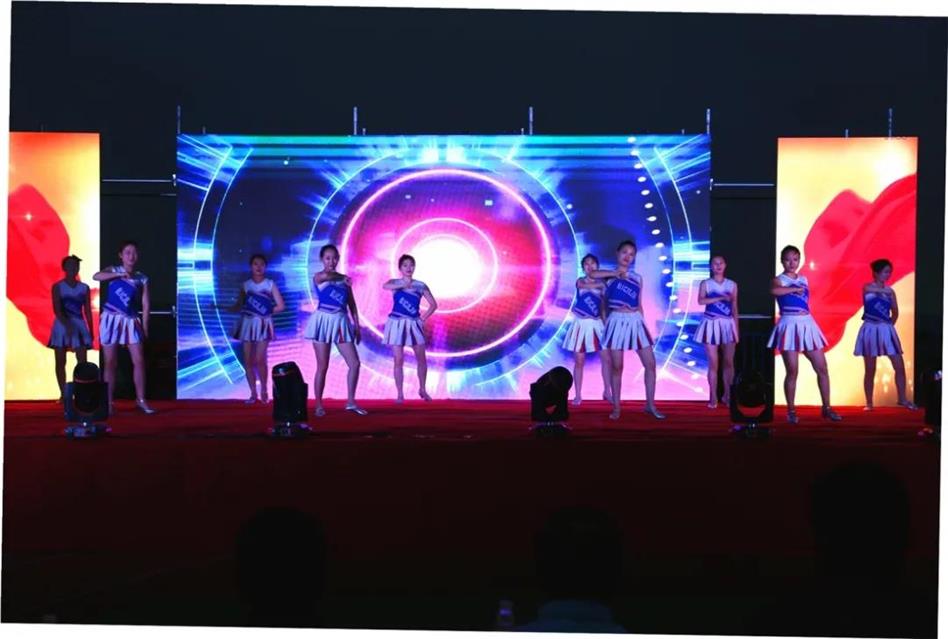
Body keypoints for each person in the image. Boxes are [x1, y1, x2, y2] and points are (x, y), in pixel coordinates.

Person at [592, 240, 664, 421]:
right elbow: (592, 274)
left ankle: (650, 405)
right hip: (616, 320)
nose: (627, 256)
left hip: (635, 320)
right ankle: (616, 407)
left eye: (631, 254)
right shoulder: (608, 277)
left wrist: (643, 323)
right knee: (617, 367)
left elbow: (639, 304)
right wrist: (615, 273)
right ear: (617, 253)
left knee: (650, 364)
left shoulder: (637, 278)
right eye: (624, 252)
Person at [768, 245, 841, 423]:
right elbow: (774, 291)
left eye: (795, 259)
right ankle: (791, 411)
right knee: (792, 371)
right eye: (788, 259)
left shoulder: (804, 279)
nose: (792, 263)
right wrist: (793, 289)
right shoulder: (779, 280)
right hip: (788, 324)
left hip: (807, 323)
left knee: (822, 368)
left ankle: (827, 408)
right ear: (782, 261)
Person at [303, 244, 367, 417]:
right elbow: (326, 276)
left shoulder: (344, 280)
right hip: (322, 321)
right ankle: (318, 405)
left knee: (354, 363)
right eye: (327, 258)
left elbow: (351, 304)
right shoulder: (319, 277)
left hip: (341, 322)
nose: (331, 261)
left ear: (338, 259)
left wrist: (357, 326)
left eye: (334, 258)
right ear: (322, 259)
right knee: (322, 366)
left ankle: (351, 402)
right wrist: (343, 278)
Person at [93, 240, 155, 414]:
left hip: (130, 320)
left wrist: (145, 328)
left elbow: (146, 305)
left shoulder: (141, 278)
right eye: (127, 252)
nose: (131, 256)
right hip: (111, 319)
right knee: (110, 362)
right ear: (121, 255)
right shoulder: (113, 270)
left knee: (139, 361)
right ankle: (108, 403)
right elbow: (96, 276)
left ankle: (141, 400)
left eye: (134, 253)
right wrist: (118, 275)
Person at [854, 259, 916, 410]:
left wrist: (888, 327)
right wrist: (887, 292)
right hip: (870, 328)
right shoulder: (868, 287)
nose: (888, 275)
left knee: (899, 366)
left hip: (885, 328)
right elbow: (870, 291)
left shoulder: (890, 292)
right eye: (885, 272)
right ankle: (869, 403)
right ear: (876, 273)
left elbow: (895, 312)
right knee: (870, 369)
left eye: (889, 272)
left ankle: (902, 399)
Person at [227, 254, 286, 404]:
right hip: (247, 324)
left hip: (263, 324)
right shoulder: (246, 285)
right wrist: (224, 307)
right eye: (255, 264)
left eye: (261, 264)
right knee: (247, 360)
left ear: (265, 267)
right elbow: (239, 305)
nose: (258, 267)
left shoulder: (270, 284)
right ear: (251, 266)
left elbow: (281, 306)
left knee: (260, 359)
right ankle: (253, 393)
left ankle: (264, 390)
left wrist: (266, 311)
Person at [381, 254, 438, 402]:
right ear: (400, 268)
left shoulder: (420, 285)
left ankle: (422, 389)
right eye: (405, 265)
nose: (409, 268)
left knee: (421, 358)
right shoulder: (394, 282)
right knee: (398, 359)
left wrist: (423, 318)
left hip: (414, 323)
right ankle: (400, 394)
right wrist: (402, 285)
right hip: (396, 322)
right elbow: (385, 286)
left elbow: (433, 304)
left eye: (411, 265)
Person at [562, 253, 612, 406]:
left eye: (593, 263)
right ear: (583, 267)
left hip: (597, 323)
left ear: (597, 266)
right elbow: (583, 286)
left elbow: (603, 308)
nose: (590, 266)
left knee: (606, 359)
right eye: (586, 264)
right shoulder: (580, 281)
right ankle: (578, 395)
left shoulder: (603, 285)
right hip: (580, 324)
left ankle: (607, 391)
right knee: (579, 361)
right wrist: (602, 283)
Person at [48, 255, 95, 402]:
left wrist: (91, 330)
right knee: (60, 361)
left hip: (79, 325)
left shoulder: (84, 288)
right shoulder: (58, 287)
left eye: (76, 265)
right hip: (62, 325)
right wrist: (68, 326)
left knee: (82, 363)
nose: (73, 268)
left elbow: (88, 311)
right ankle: (64, 394)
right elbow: (57, 310)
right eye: (70, 265)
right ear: (64, 268)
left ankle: (80, 393)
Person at [695, 255, 739, 408]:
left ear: (725, 265)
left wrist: (736, 330)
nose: (718, 266)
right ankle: (713, 396)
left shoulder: (732, 285)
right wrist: (718, 298)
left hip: (728, 324)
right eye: (715, 263)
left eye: (721, 263)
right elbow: (701, 301)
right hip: (710, 323)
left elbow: (735, 308)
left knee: (728, 362)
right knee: (713, 363)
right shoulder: (706, 284)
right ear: (711, 266)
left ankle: (728, 395)